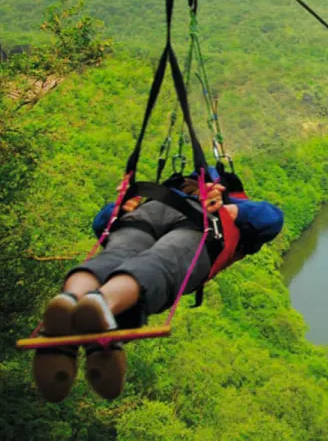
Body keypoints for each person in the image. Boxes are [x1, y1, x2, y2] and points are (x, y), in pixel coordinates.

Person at [33, 172, 284, 403]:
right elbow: (273, 219)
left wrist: (116, 209)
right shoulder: (236, 204)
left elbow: (102, 227)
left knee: (115, 254)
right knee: (162, 263)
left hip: (152, 207)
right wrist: (232, 209)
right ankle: (102, 304)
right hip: (199, 222)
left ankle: (71, 298)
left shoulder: (170, 189)